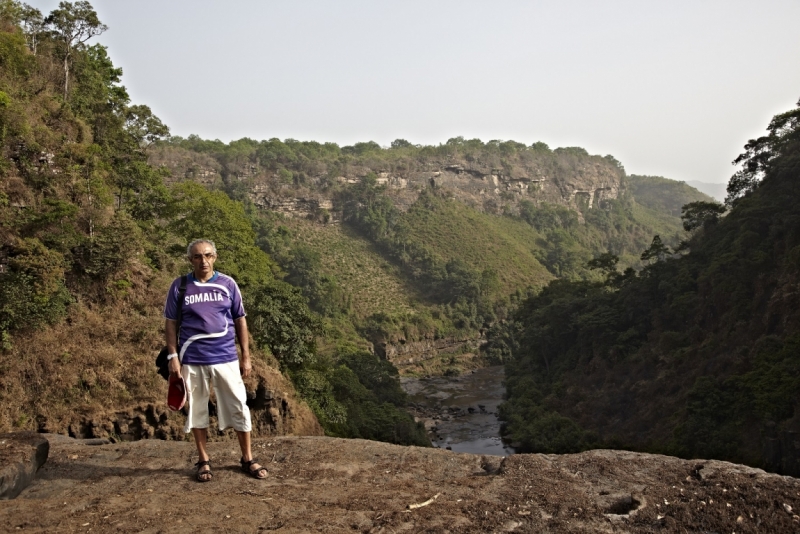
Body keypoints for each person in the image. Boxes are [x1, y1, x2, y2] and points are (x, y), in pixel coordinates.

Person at [164, 239, 267, 482]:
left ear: (215, 257)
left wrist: (246, 356)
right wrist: (172, 356)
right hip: (192, 358)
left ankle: (247, 458)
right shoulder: (180, 287)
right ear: (191, 260)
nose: (204, 261)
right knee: (197, 410)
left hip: (225, 357)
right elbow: (170, 323)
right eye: (198, 257)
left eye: (208, 256)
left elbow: (240, 319)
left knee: (239, 406)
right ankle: (203, 460)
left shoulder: (227, 284)